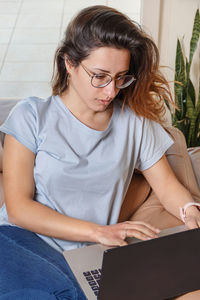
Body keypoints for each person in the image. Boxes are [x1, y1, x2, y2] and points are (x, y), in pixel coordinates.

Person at [0, 5, 200, 299]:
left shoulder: (135, 123)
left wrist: (190, 211)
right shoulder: (30, 116)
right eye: (100, 76)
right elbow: (18, 208)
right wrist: (98, 231)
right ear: (69, 63)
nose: (110, 91)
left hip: (92, 255)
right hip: (24, 242)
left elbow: (168, 187)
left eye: (121, 78)